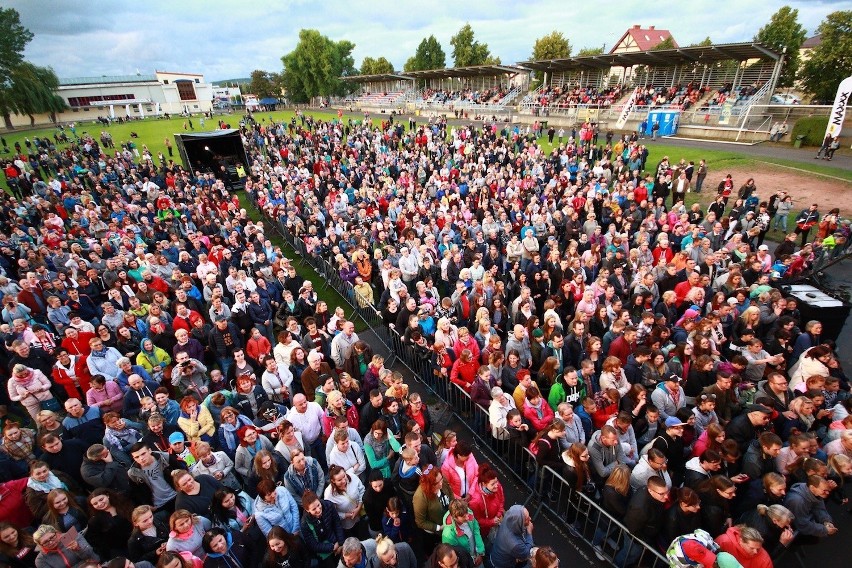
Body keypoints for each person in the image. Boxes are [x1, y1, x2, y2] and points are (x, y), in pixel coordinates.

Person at [300, 490, 346, 568]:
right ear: (307, 510)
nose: (318, 510)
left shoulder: (329, 505)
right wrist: (332, 547)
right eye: (314, 509)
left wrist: (340, 543)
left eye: (318, 505)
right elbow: (312, 544)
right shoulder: (305, 524)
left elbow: (337, 524)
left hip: (336, 540)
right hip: (323, 551)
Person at [32, 523, 99, 568]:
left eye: (52, 537)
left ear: (57, 533)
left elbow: (94, 557)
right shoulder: (41, 560)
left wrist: (78, 549)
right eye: (46, 542)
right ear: (40, 545)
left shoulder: (71, 536)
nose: (51, 542)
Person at [441, 499, 485, 566]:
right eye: (463, 517)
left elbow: (476, 531)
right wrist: (469, 562)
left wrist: (480, 553)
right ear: (454, 517)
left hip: (477, 555)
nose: (467, 518)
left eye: (467, 514)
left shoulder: (468, 513)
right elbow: (454, 556)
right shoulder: (448, 535)